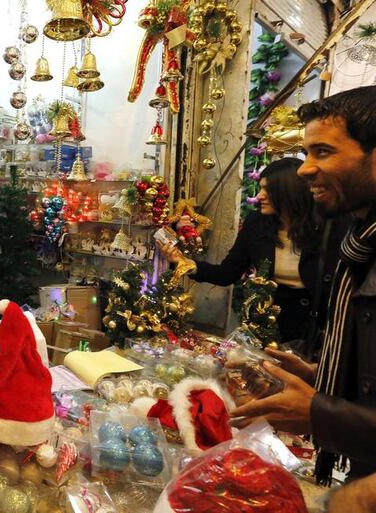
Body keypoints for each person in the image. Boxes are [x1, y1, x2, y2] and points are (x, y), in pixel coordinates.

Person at [229, 85, 376, 484]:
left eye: (323, 152)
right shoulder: (359, 242)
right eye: (307, 152)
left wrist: (320, 413)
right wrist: (323, 375)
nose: (305, 168)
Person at [158, 157, 345, 348]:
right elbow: (227, 273)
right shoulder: (258, 224)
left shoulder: (332, 227)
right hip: (271, 327)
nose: (259, 196)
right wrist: (183, 261)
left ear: (289, 193)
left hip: (321, 332)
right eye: (260, 188)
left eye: (268, 190)